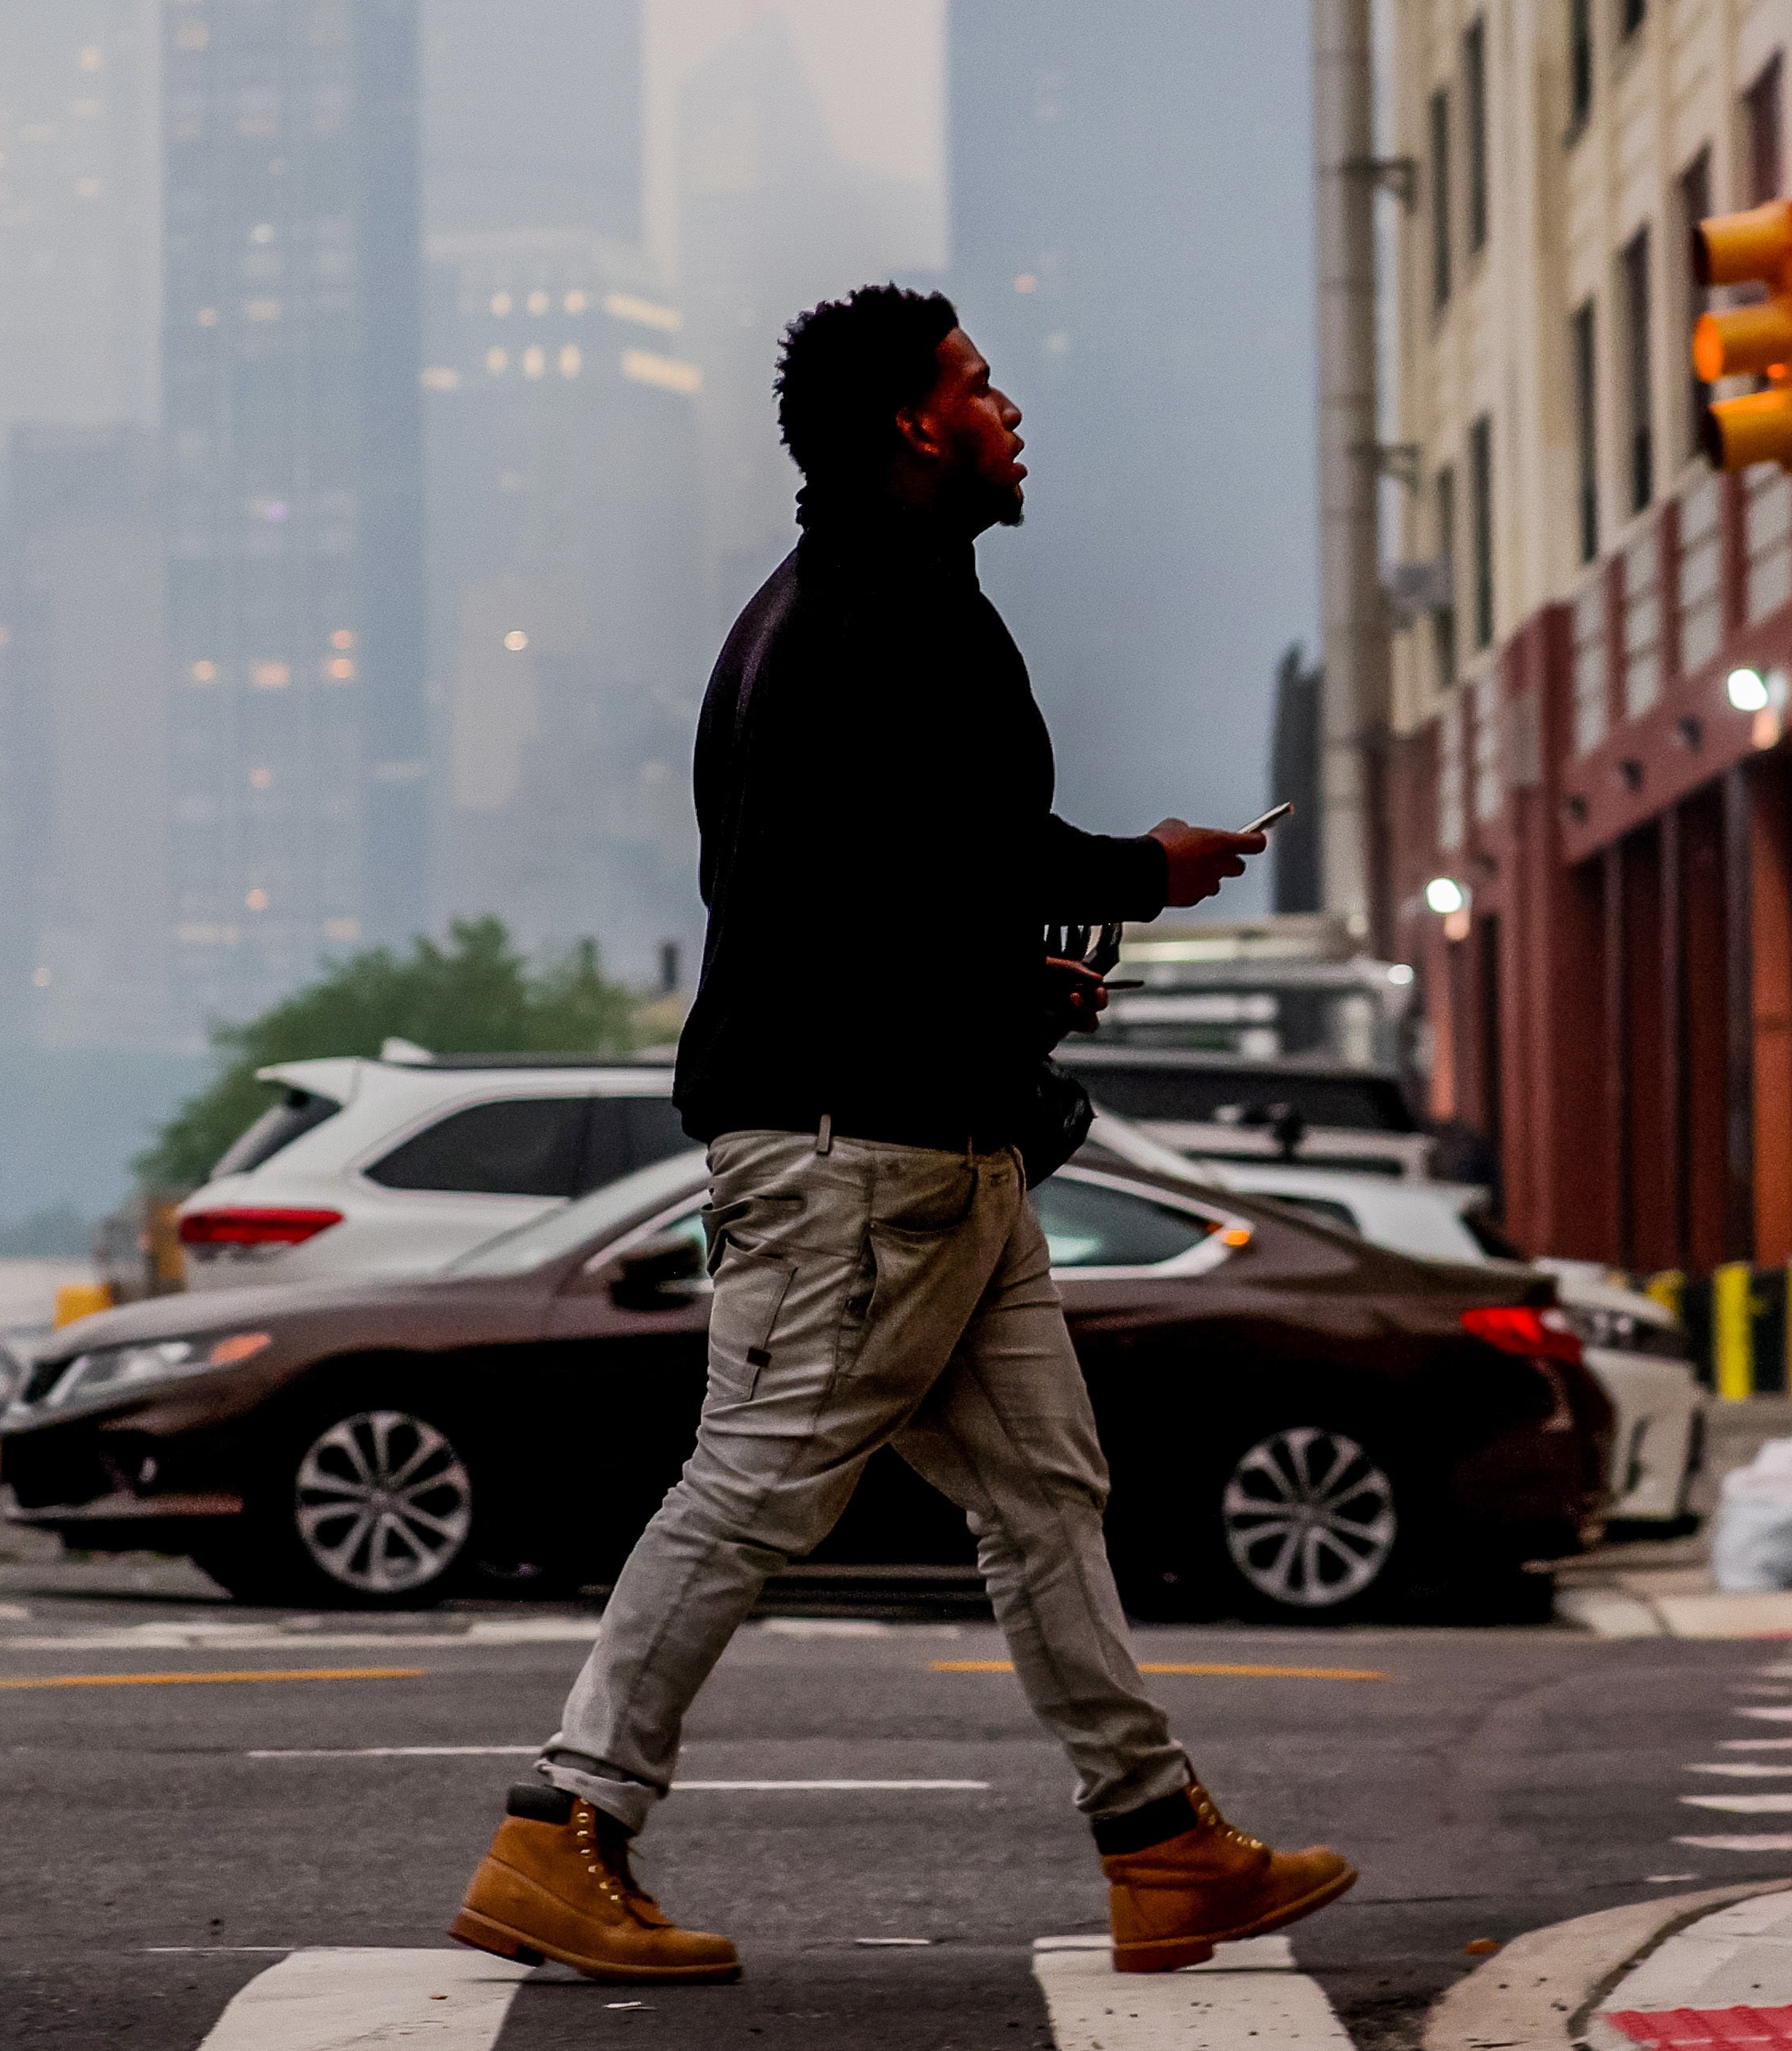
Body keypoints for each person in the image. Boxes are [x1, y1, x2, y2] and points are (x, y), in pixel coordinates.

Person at [451, 286, 1352, 1989]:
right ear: (911, 426)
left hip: (928, 1145)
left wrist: (1004, 972)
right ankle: (559, 1826)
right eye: (976, 382)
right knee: (759, 1478)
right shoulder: (889, 610)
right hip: (856, 1148)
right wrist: (1130, 874)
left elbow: (853, 880)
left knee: (1042, 1491)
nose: (1007, 407)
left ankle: (1158, 1843)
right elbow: (961, 844)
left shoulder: (811, 612)